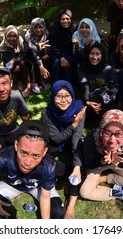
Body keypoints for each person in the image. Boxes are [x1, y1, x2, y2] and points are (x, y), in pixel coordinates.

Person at [0, 120, 65, 219]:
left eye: (35, 156)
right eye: (24, 153)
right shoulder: (1, 157)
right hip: (12, 184)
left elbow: (45, 197)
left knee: (58, 212)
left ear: (44, 152)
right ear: (16, 145)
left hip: (38, 187)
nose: (27, 162)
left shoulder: (49, 167)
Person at [79, 109, 123, 214]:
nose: (112, 141)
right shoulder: (91, 139)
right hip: (98, 164)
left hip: (117, 163)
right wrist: (102, 161)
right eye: (107, 133)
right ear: (101, 130)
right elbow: (89, 163)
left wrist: (115, 160)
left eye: (118, 134)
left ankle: (105, 178)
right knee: (85, 192)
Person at [41, 80, 87, 219]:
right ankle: (66, 173)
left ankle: (71, 204)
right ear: (53, 96)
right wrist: (73, 125)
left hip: (73, 138)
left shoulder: (79, 108)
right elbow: (56, 138)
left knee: (80, 163)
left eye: (67, 96)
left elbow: (76, 138)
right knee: (42, 157)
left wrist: (77, 165)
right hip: (57, 140)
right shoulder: (47, 113)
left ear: (72, 96)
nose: (63, 100)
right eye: (59, 96)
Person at [78, 41, 118, 123]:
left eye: (97, 54)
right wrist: (88, 102)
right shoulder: (82, 68)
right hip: (89, 100)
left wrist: (103, 102)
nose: (95, 57)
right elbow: (84, 86)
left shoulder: (108, 69)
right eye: (92, 53)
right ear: (88, 54)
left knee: (110, 96)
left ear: (102, 55)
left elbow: (114, 87)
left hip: (104, 100)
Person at [0, 25, 35, 98]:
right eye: (9, 36)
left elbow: (24, 55)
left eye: (14, 36)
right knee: (15, 67)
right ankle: (20, 80)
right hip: (12, 67)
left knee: (22, 62)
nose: (12, 38)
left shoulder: (20, 42)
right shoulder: (3, 46)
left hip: (23, 64)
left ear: (17, 36)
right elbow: (7, 63)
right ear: (6, 36)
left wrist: (14, 59)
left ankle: (28, 85)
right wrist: (11, 49)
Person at [48, 9, 77, 83]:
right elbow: (53, 45)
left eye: (67, 19)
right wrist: (61, 58)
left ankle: (67, 84)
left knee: (68, 62)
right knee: (56, 63)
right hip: (55, 50)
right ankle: (56, 84)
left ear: (71, 19)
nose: (65, 21)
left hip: (68, 50)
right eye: (62, 19)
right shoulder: (54, 27)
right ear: (59, 19)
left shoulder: (74, 28)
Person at [24, 17, 52, 91]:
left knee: (46, 58)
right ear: (32, 27)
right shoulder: (28, 36)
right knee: (33, 61)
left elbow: (50, 47)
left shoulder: (46, 34)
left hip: (41, 55)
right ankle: (34, 82)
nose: (38, 30)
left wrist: (43, 49)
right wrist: (41, 66)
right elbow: (33, 50)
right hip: (30, 56)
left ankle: (44, 79)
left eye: (40, 27)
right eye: (35, 27)